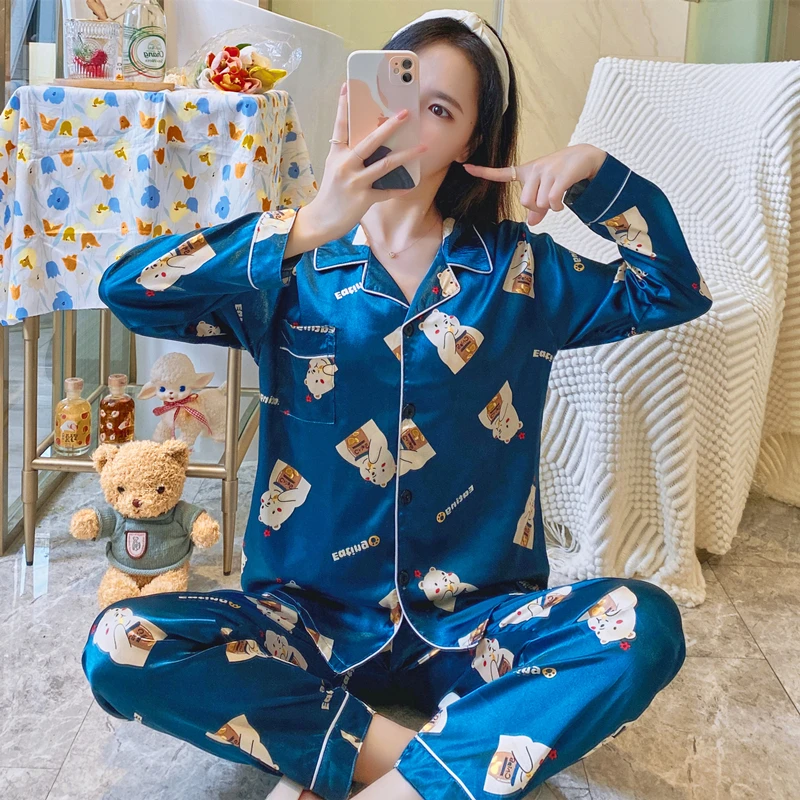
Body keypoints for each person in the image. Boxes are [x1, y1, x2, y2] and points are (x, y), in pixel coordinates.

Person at [82, 9, 713, 800]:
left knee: (644, 625)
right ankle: (417, 767)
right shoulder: (291, 264)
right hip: (305, 625)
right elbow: (127, 290)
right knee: (122, 641)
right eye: (398, 95)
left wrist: (595, 173)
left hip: (476, 626)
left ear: (473, 141)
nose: (407, 125)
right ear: (360, 99)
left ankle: (354, 772)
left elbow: (673, 290)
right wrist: (310, 224)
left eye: (439, 109)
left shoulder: (521, 273)